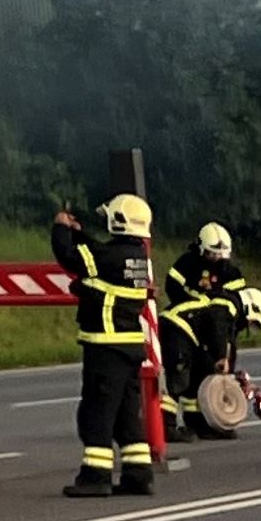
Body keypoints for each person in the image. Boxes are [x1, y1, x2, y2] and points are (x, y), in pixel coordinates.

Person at [53, 191, 160, 496]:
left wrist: (60, 228)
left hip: (106, 347)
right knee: (127, 414)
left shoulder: (106, 257)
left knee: (97, 411)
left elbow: (70, 256)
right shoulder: (138, 257)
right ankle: (138, 473)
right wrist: (79, 233)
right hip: (129, 347)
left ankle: (95, 476)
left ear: (118, 221)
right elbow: (98, 253)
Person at [160, 224, 255, 441]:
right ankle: (167, 426)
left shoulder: (231, 274)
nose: (217, 258)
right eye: (212, 254)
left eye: (221, 254)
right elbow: (173, 287)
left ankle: (199, 424)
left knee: (199, 376)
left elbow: (225, 329)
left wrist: (223, 358)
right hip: (183, 324)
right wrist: (221, 355)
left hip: (199, 331)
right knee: (179, 377)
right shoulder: (188, 263)